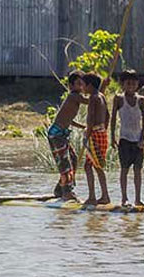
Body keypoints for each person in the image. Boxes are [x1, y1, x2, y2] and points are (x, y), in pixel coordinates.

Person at [46, 70, 88, 200]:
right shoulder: (73, 96)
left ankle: (60, 188)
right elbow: (90, 101)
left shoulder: (75, 97)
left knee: (73, 159)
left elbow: (69, 119)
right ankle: (66, 192)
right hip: (56, 134)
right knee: (65, 163)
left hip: (62, 135)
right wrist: (101, 89)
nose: (81, 87)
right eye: (78, 84)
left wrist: (84, 127)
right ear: (71, 86)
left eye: (83, 84)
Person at [110, 70, 144, 207]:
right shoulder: (119, 99)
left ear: (137, 84)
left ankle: (138, 199)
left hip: (137, 139)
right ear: (123, 84)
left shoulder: (141, 100)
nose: (131, 86)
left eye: (133, 83)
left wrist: (142, 139)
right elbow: (113, 119)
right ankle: (124, 198)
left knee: (137, 170)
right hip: (124, 139)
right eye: (128, 83)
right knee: (124, 169)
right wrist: (112, 137)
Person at [82, 72, 111, 205]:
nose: (82, 88)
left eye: (83, 85)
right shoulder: (102, 97)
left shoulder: (94, 98)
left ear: (89, 85)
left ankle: (98, 197)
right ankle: (98, 196)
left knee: (94, 166)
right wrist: (103, 129)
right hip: (102, 133)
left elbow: (90, 119)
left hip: (95, 135)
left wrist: (87, 136)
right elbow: (108, 116)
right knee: (91, 166)